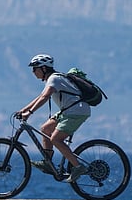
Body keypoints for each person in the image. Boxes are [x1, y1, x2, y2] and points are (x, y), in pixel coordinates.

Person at [17, 53, 90, 182]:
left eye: (35, 68)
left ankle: (78, 167)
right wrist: (23, 110)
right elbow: (40, 97)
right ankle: (48, 163)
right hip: (68, 111)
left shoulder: (54, 79)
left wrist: (29, 113)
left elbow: (45, 97)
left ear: (44, 68)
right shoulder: (52, 79)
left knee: (56, 139)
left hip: (76, 111)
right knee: (45, 129)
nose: (33, 72)